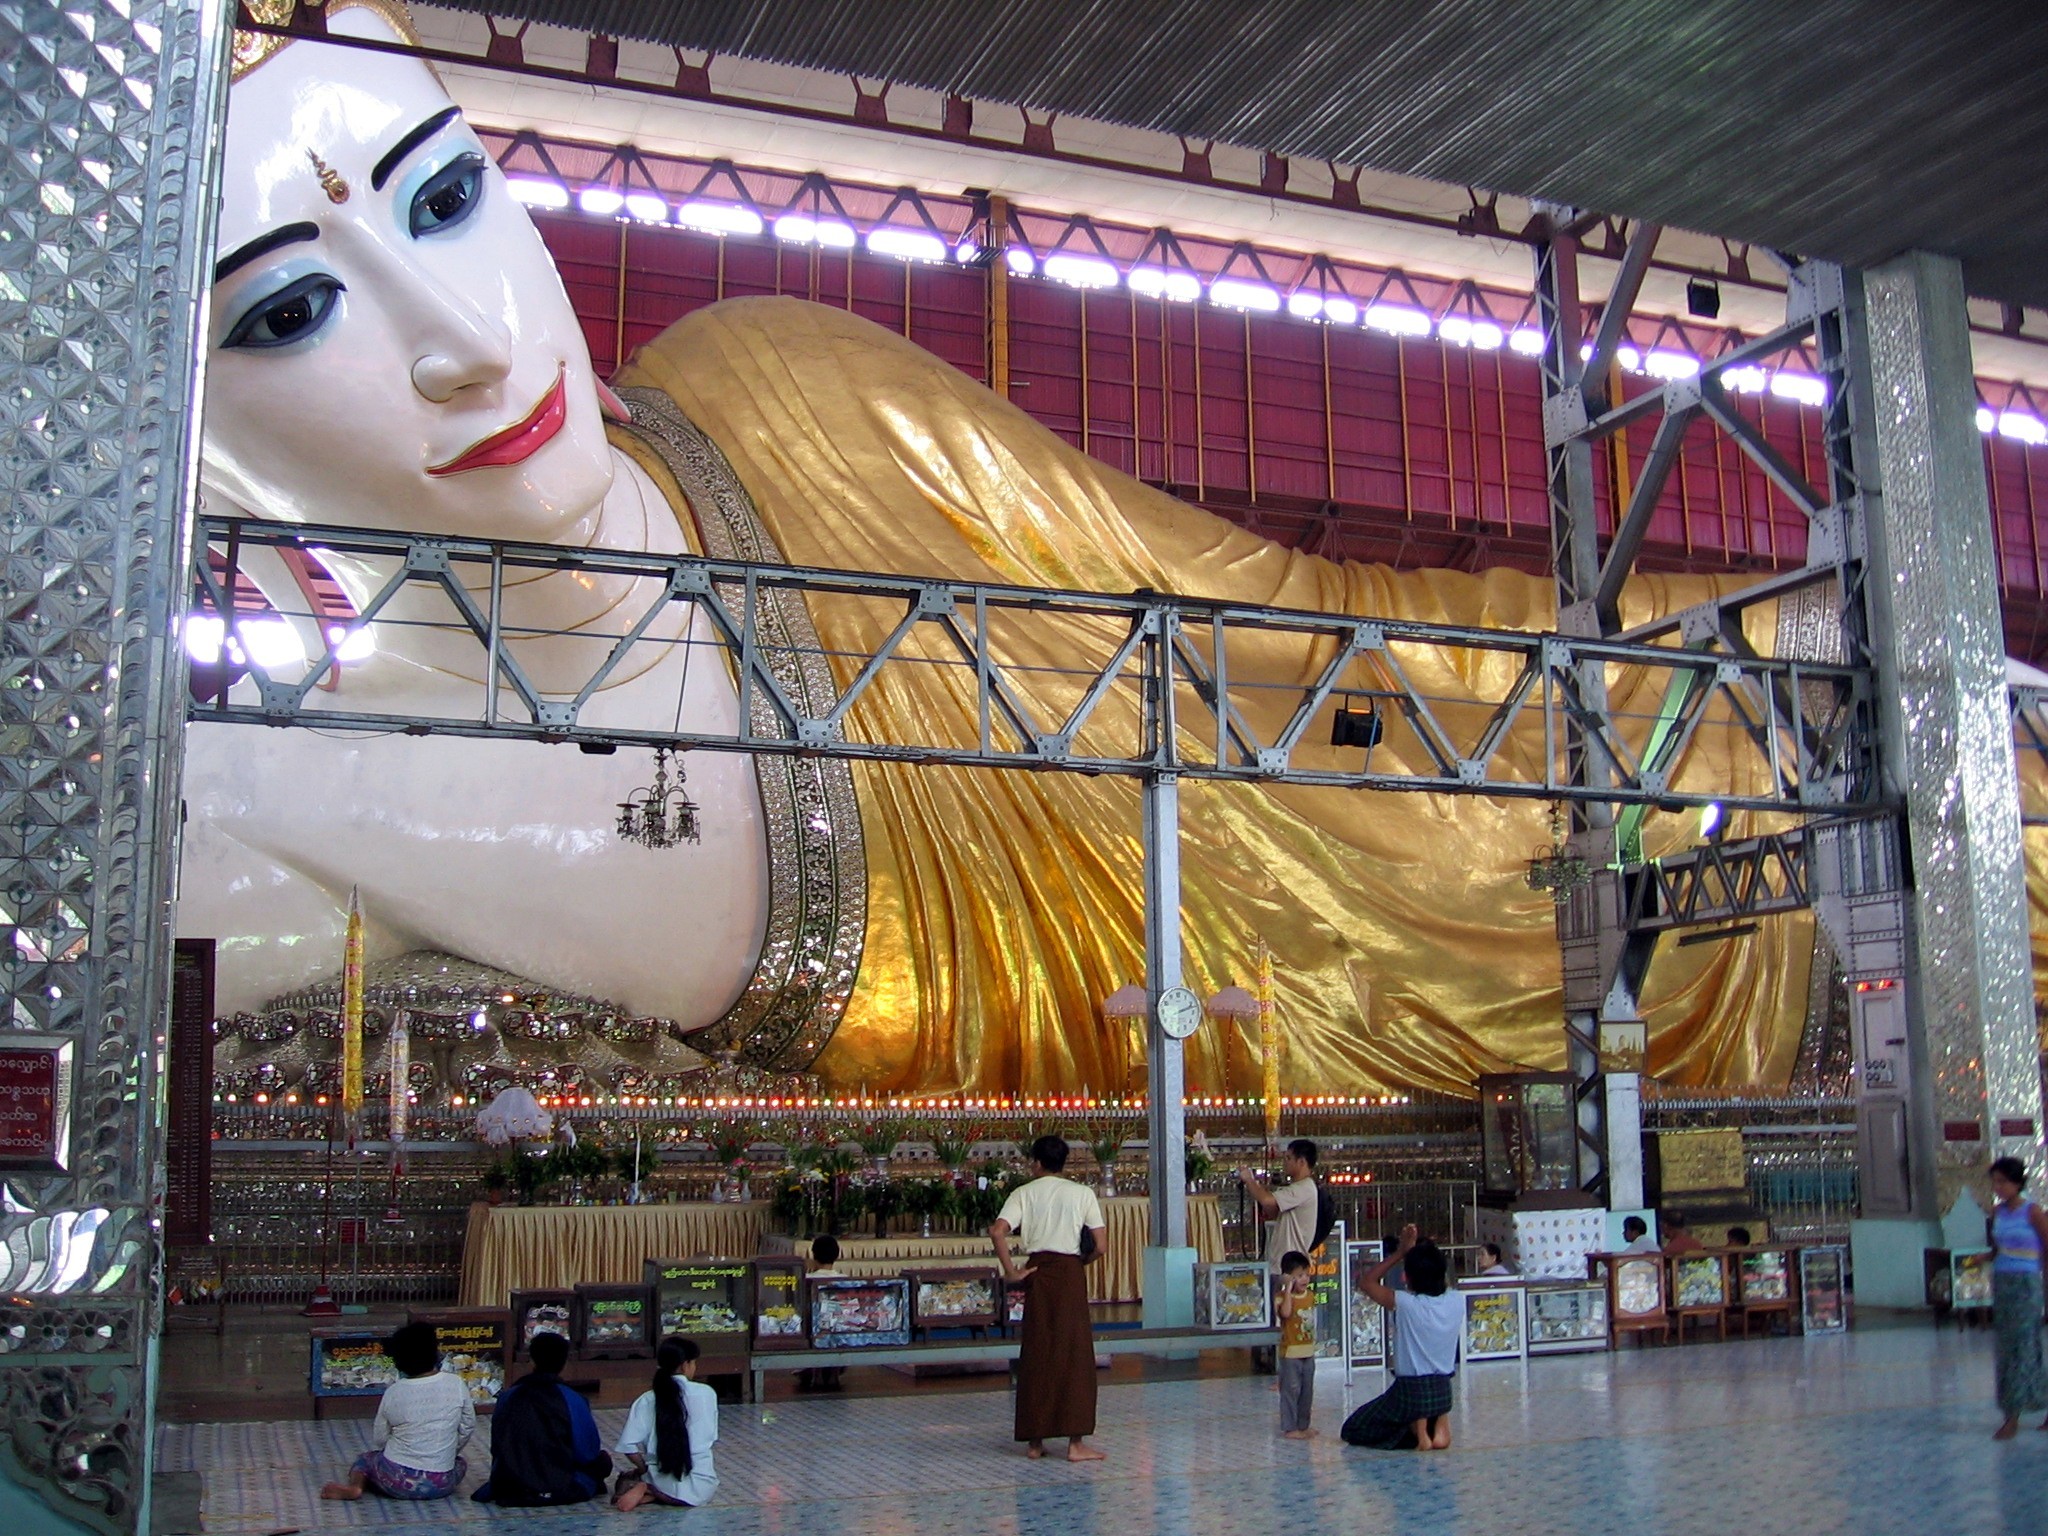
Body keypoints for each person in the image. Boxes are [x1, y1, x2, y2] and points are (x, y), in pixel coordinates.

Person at [187, 0, 1813, 1107]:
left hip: (1433, 790)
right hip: (1354, 1022)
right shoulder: (272, 830)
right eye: (290, 310)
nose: (463, 336)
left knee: (1774, 720)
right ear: (185, 441)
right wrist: (229, 774)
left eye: (451, 197)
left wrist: (1737, 648)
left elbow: (1277, 619)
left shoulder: (776, 379)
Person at [990, 1135, 1108, 1462]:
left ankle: (1035, 1442)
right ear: (1063, 1162)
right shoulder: (1081, 1193)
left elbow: (997, 1230)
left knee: (1038, 1352)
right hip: (1069, 1274)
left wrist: (1012, 1271)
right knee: (1075, 1355)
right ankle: (1075, 1443)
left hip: (1037, 1272)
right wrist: (1080, 1263)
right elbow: (1100, 1245)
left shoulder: (1023, 1193)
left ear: (1037, 1163)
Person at [321, 1322, 475, 1501]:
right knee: (460, 1463)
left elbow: (380, 1438)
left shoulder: (394, 1392)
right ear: (435, 1352)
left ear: (398, 1361)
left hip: (398, 1481)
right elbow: (468, 1426)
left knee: (365, 1460)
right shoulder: (456, 1384)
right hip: (442, 1482)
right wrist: (448, 1451)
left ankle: (355, 1487)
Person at [1342, 1225, 1460, 1451]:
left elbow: (1367, 1283)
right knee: (1428, 1406)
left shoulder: (1406, 1303)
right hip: (1443, 1391)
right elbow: (1441, 1281)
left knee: (1354, 1428)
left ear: (1409, 1277)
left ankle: (1416, 1433)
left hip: (1410, 1391)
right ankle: (1438, 1427)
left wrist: (1401, 1252)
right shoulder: (1456, 1300)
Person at [472, 1331, 611, 1506]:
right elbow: (587, 1452)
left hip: (512, 1488)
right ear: (565, 1363)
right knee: (603, 1461)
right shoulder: (572, 1399)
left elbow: (498, 1446)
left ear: (532, 1361)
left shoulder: (508, 1396)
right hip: (563, 1487)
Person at [1238, 1140, 1324, 1370]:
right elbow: (1271, 1207)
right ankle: (1268, 1364)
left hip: (1289, 1267)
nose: (1284, 1163)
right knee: (1273, 1316)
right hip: (1280, 1263)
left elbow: (1267, 1200)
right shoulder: (1296, 1189)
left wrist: (1250, 1180)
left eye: (1288, 1158)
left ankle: (1281, 1365)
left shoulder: (1304, 1188)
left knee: (1285, 1318)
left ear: (1302, 1162)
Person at [614, 1336, 720, 1510]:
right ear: (685, 1365)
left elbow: (628, 1446)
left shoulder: (647, 1400)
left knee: (634, 1477)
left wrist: (643, 1469)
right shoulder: (707, 1394)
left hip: (660, 1479)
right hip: (703, 1486)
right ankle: (651, 1492)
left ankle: (648, 1488)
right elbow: (712, 1437)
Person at [1987, 1156, 2048, 1440]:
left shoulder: (2033, 1212)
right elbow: (1998, 1248)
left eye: (2003, 1181)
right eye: (1995, 1182)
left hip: (2026, 1286)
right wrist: (1982, 1259)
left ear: (2017, 1182)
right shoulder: (1998, 1213)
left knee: (2025, 1349)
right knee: (2007, 1350)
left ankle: (2013, 1417)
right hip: (2003, 1284)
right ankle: (2014, 1409)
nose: (1998, 1187)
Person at [1275, 1250, 1318, 1439]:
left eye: (1306, 1275)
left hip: (1308, 1351)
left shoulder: (1310, 1295)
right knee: (1291, 1390)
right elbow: (1285, 1314)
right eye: (1299, 1275)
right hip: (1290, 1352)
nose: (1304, 1279)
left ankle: (1303, 1424)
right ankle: (1290, 1427)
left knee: (1306, 1391)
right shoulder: (1281, 1297)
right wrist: (1288, 1290)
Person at [796, 1234, 845, 1393]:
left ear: (814, 1256)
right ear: (837, 1255)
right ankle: (834, 1373)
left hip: (811, 1331)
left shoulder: (806, 1279)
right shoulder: (844, 1279)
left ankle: (815, 1373)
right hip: (839, 1331)